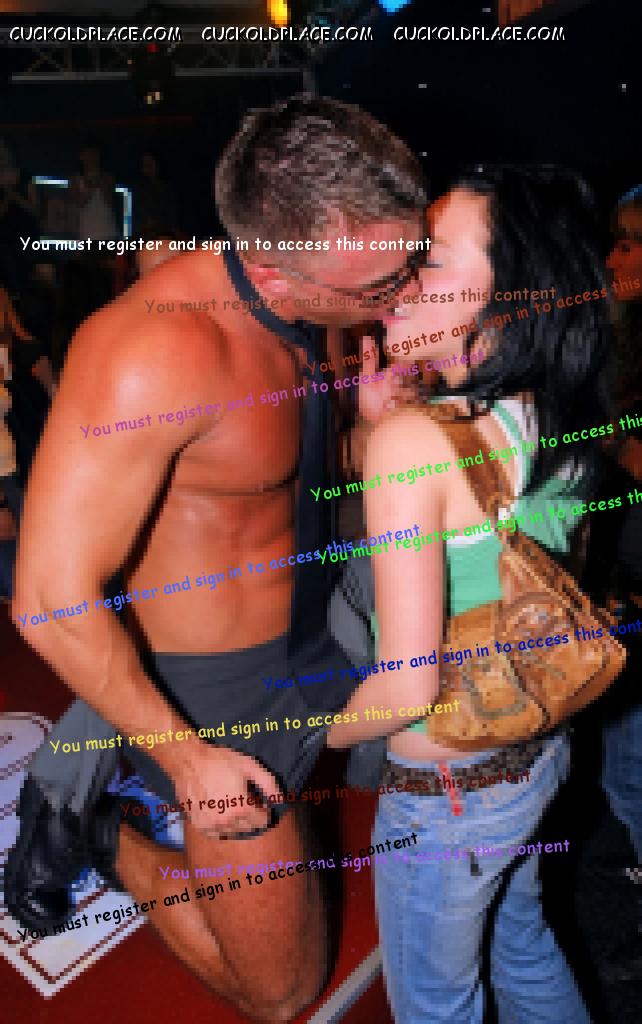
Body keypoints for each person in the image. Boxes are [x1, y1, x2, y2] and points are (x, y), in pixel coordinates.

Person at [7, 95, 428, 1023]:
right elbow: (48, 597)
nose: (402, 297)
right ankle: (106, 833)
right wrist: (187, 757)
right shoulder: (154, 351)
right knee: (281, 992)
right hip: (224, 700)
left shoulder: (316, 293)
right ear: (274, 269)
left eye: (409, 265)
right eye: (379, 285)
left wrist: (366, 431)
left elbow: (276, 475)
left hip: (318, 630)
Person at [326, 166, 612, 1023]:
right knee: (524, 944)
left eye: (430, 260)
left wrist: (303, 739)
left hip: (447, 786)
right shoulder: (552, 409)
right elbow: (492, 537)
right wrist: (381, 429)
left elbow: (407, 688)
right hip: (537, 748)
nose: (399, 279)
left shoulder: (419, 443)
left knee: (434, 1003)